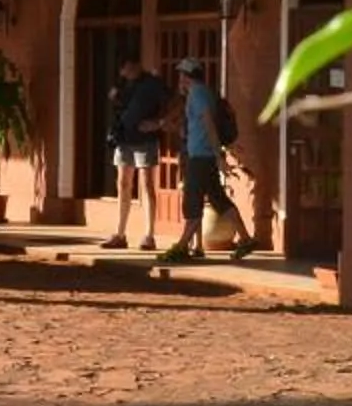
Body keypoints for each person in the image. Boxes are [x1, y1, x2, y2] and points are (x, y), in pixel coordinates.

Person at [162, 56, 253, 262]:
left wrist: (218, 155)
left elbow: (209, 125)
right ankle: (246, 239)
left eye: (182, 75)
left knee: (193, 201)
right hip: (204, 155)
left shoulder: (198, 94)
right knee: (218, 199)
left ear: (188, 76)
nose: (180, 79)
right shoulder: (201, 93)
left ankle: (181, 247)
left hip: (201, 157)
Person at [100, 55, 168, 251]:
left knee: (146, 184)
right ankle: (120, 233)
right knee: (122, 183)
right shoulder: (121, 85)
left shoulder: (152, 83)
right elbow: (117, 108)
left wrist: (159, 123)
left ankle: (149, 235)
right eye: (123, 69)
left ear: (136, 65)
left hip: (145, 140)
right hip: (124, 139)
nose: (126, 72)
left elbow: (172, 103)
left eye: (129, 67)